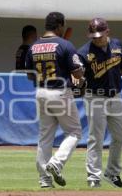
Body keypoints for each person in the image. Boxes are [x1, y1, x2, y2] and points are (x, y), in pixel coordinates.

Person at [25, 12, 84, 188]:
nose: (64, 28)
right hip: (59, 91)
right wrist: (78, 71)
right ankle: (56, 163)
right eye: (63, 25)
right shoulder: (65, 45)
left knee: (45, 137)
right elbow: (77, 73)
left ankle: (44, 179)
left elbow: (29, 75)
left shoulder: (33, 46)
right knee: (74, 132)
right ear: (59, 25)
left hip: (41, 91)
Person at [78, 18, 122, 188]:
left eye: (99, 35)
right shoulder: (84, 52)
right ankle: (93, 177)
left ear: (107, 32)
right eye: (93, 35)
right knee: (96, 138)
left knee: (120, 135)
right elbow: (76, 75)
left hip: (115, 96)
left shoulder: (117, 45)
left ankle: (112, 174)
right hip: (95, 97)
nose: (96, 38)